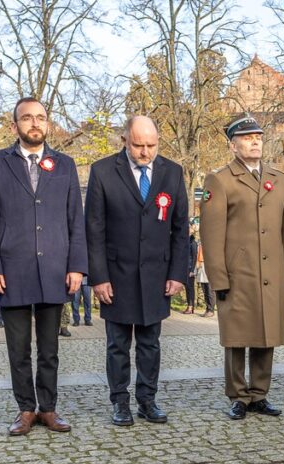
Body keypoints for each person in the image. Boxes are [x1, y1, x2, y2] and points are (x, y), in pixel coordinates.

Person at [0, 97, 86, 435]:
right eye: (27, 118)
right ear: (15, 126)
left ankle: (49, 408)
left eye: (40, 117)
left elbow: (75, 221)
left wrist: (77, 267)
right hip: (12, 271)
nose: (34, 123)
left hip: (55, 270)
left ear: (48, 124)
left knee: (50, 349)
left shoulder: (65, 164)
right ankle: (25, 409)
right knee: (18, 349)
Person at [86, 115, 188, 426]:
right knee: (117, 344)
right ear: (125, 142)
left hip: (157, 276)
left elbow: (180, 228)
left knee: (150, 343)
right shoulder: (103, 171)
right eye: (138, 145)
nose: (145, 152)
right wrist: (99, 277)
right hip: (117, 276)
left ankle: (148, 399)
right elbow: (94, 229)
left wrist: (177, 273)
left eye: (151, 145)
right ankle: (120, 402)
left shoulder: (172, 172)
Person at [199, 115, 284, 419]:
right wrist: (218, 279)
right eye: (247, 137)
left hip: (271, 272)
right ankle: (238, 395)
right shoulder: (220, 179)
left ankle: (259, 394)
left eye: (258, 136)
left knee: (267, 334)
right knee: (237, 337)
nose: (255, 141)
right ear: (233, 144)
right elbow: (211, 234)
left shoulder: (279, 179)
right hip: (238, 273)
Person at [194, 238, 215, 317]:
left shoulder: (211, 246)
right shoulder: (199, 244)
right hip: (201, 268)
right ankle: (207, 308)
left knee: (210, 291)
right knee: (205, 291)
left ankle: (211, 310)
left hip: (208, 269)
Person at [183, 229, 198, 314]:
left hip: (190, 268)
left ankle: (191, 307)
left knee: (190, 288)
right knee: (187, 288)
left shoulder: (193, 242)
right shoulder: (186, 241)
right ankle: (189, 305)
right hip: (185, 268)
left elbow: (194, 257)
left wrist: (192, 270)